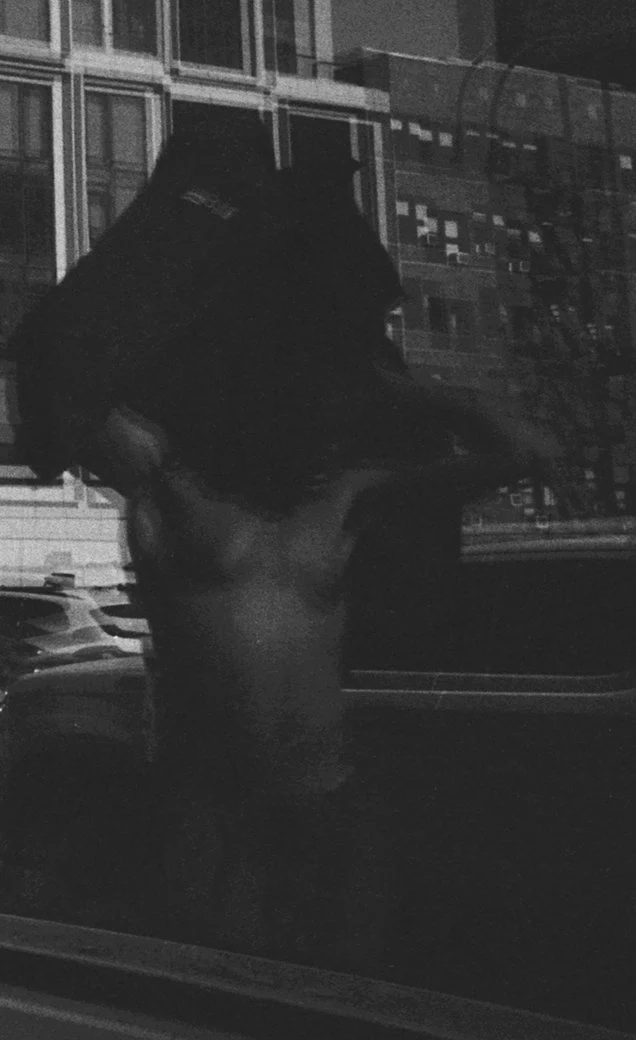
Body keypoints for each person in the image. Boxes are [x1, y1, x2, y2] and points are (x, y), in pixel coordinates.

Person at [79, 372, 549, 969]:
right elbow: (69, 391)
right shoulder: (172, 490)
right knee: (226, 997)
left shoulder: (345, 499)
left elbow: (522, 454)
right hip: (217, 803)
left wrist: (418, 391)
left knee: (346, 995)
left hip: (326, 794)